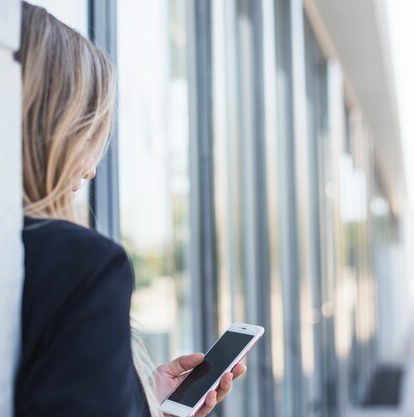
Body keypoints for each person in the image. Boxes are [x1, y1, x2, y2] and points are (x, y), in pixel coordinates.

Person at [14, 3, 245, 417]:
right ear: (48, 133)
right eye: (84, 132)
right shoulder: (81, 264)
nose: (90, 169)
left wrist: (132, 391)